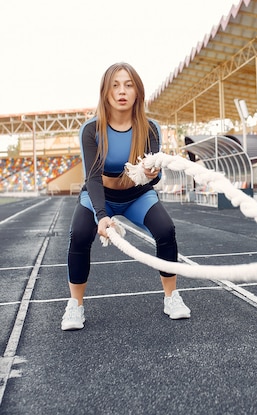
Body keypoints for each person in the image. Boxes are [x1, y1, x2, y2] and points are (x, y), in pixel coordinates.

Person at [61, 62, 190, 331]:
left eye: (128, 85)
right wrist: (102, 216)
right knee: (80, 234)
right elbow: (93, 177)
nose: (122, 91)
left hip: (137, 196)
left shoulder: (151, 128)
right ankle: (75, 305)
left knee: (166, 230)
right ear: (105, 92)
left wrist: (149, 172)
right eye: (115, 85)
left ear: (137, 92)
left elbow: (156, 177)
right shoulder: (91, 130)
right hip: (100, 195)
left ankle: (171, 297)